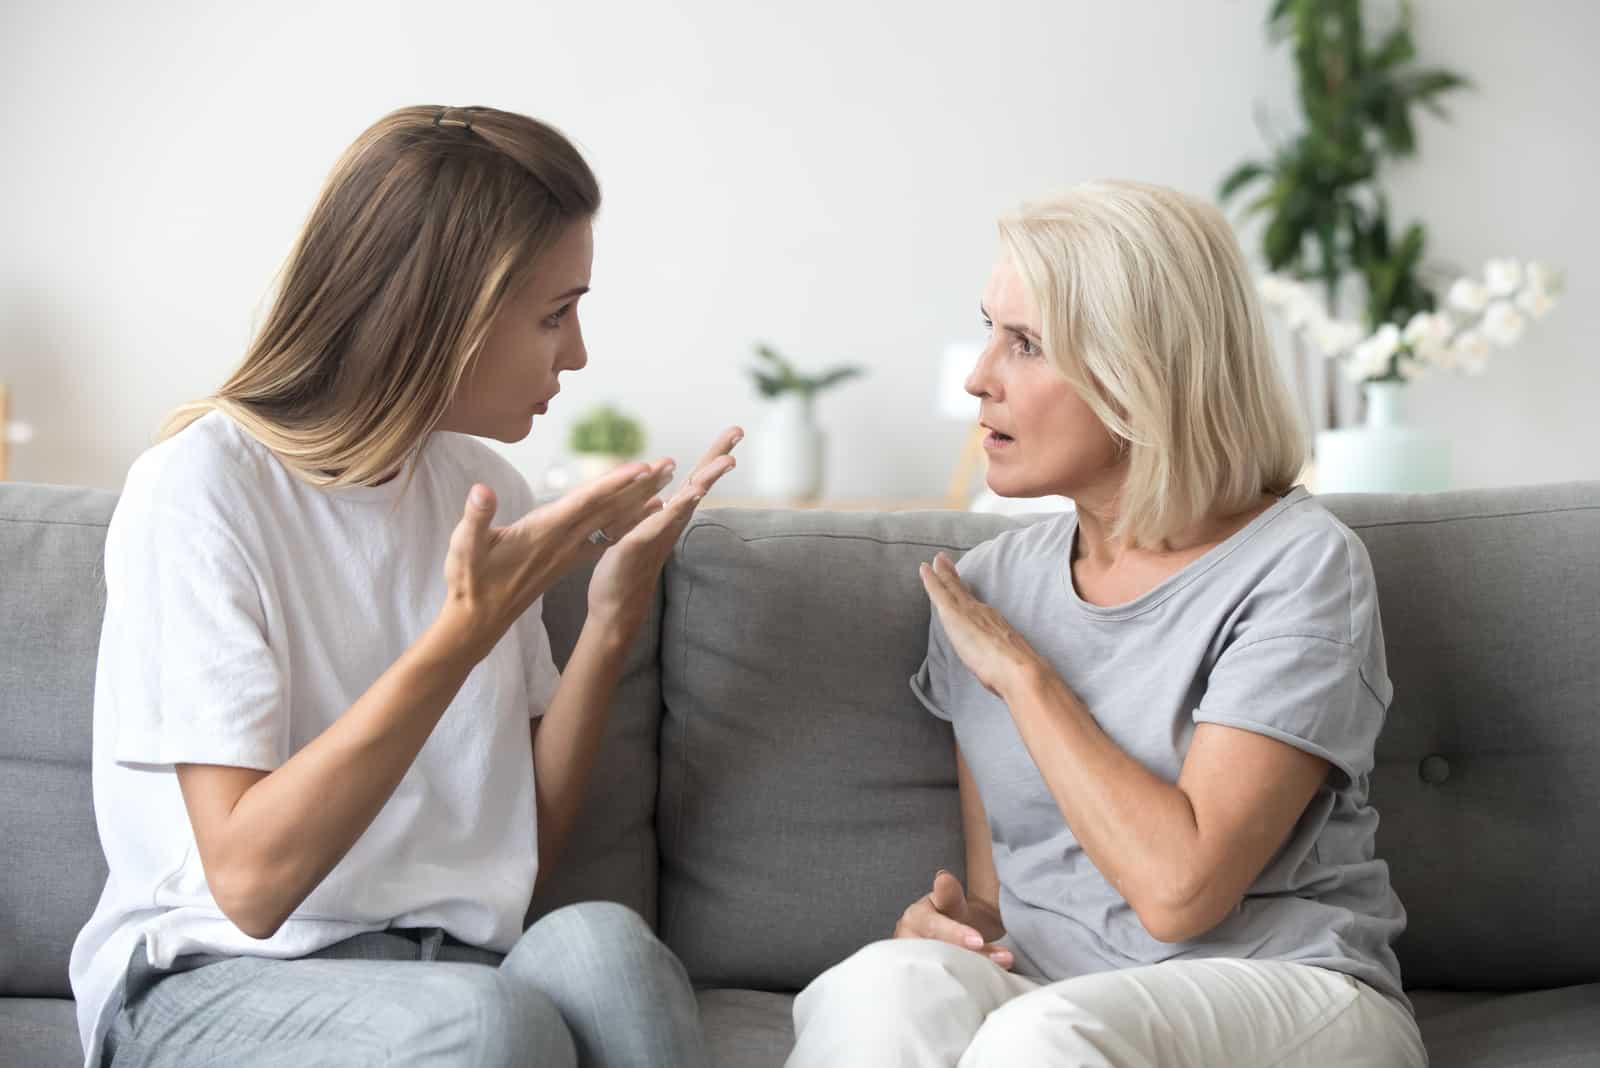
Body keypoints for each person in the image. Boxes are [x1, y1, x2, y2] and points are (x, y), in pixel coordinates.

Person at [69, 104, 738, 1068]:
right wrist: (460, 636)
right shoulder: (201, 489)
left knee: (607, 951)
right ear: (441, 312)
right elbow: (251, 885)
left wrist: (611, 613)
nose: (578, 354)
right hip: (212, 981)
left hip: (445, 970)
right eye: (555, 313)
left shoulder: (482, 494)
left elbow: (515, 861)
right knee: (487, 1025)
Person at [787, 180, 1426, 1067]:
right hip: (1052, 991)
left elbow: (1180, 892)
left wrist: (1026, 677)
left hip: (1288, 988)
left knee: (1043, 1036)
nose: (978, 377)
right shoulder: (988, 586)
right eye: (989, 331)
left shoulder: (1300, 566)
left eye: (1027, 344)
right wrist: (961, 930)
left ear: (1140, 373)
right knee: (882, 983)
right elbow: (1003, 894)